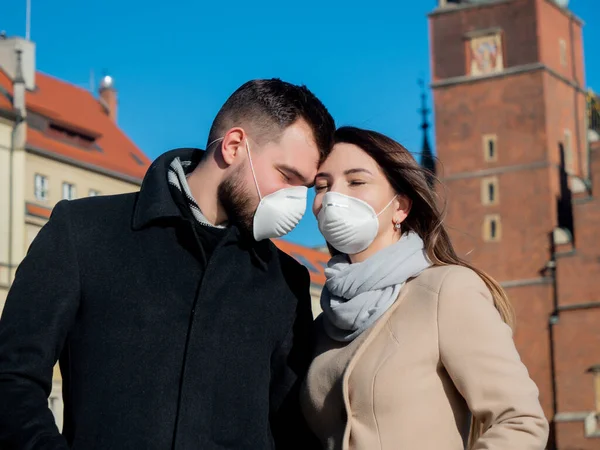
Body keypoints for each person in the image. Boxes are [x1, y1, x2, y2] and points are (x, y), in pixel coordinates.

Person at [0, 79, 335, 449]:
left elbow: (293, 428)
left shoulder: (285, 281)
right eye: (286, 177)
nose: (294, 205)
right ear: (234, 145)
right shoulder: (83, 232)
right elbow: (12, 379)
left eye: (303, 188)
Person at [300, 126, 549, 450]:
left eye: (356, 181)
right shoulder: (323, 323)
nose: (335, 197)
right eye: (323, 186)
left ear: (401, 207)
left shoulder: (445, 290)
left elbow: (521, 422)